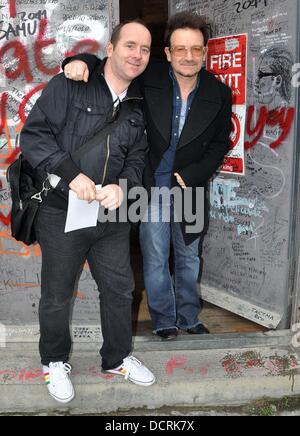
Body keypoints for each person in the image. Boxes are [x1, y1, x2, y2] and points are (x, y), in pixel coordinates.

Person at [63, 12, 232, 341]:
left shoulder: (218, 93)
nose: (188, 56)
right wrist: (79, 60)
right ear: (167, 53)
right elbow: (111, 65)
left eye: (196, 49)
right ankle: (164, 319)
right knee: (154, 257)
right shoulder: (148, 76)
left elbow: (219, 143)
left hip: (190, 189)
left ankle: (188, 316)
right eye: (180, 49)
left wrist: (193, 174)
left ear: (205, 52)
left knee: (188, 257)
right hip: (149, 185)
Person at [20, 19, 155, 405]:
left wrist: (123, 187)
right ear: (109, 49)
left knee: (119, 289)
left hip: (110, 217)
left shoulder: (139, 102)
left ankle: (116, 358)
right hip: (63, 210)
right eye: (129, 45)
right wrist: (70, 174)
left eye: (144, 49)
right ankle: (54, 361)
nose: (137, 55)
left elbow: (138, 156)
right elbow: (34, 135)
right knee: (58, 293)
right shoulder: (71, 83)